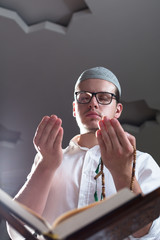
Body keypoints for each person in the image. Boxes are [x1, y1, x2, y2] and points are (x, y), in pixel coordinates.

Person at [7, 67, 160, 239]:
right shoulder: (47, 159)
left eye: (103, 98)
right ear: (74, 108)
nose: (93, 103)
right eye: (84, 98)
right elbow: (16, 230)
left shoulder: (142, 161)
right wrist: (46, 166)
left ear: (118, 110)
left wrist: (123, 174)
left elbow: (151, 233)